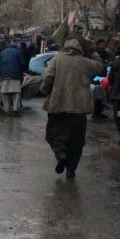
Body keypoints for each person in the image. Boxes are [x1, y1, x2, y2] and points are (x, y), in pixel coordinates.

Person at [41, 37, 105, 179]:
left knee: (54, 134)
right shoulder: (85, 62)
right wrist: (94, 53)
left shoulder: (57, 60)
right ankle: (71, 169)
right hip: (79, 108)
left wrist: (49, 91)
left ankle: (61, 154)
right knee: (77, 140)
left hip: (58, 106)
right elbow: (100, 66)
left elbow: (47, 78)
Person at [0, 41, 25, 115]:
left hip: (4, 76)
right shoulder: (18, 52)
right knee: (16, 94)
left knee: (5, 94)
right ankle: (15, 110)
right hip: (16, 76)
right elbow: (22, 63)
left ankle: (7, 110)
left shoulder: (2, 53)